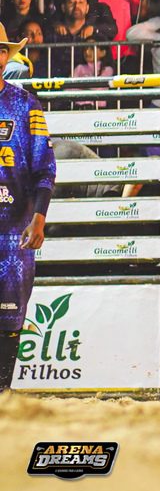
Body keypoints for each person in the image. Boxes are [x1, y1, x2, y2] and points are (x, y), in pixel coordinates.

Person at [0, 25, 55, 393]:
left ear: (7, 56)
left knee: (9, 320)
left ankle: (2, 394)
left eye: (1, 50)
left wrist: (39, 218)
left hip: (12, 231)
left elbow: (44, 167)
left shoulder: (25, 106)